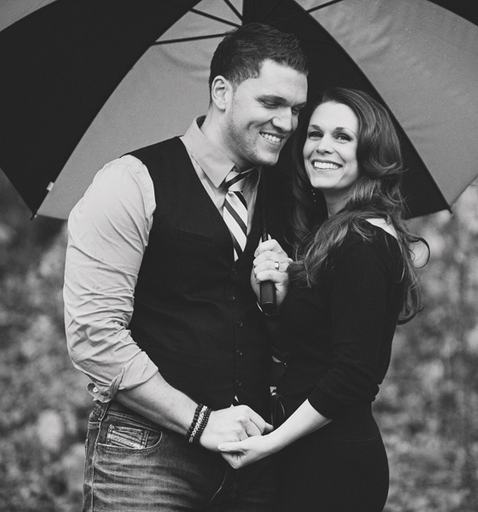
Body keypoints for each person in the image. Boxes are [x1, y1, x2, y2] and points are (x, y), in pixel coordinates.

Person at [63, 23, 308, 511]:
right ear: (222, 91)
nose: (287, 123)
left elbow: (303, 335)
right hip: (147, 458)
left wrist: (281, 305)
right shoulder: (131, 183)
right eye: (271, 103)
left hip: (257, 458)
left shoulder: (291, 193)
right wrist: (200, 422)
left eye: (296, 109)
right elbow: (93, 333)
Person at [219, 88, 425, 512]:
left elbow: (354, 374)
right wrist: (270, 291)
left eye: (342, 137)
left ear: (370, 151)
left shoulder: (362, 244)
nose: (322, 147)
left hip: (333, 465)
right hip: (306, 454)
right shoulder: (332, 238)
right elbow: (303, 349)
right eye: (314, 134)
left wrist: (271, 443)